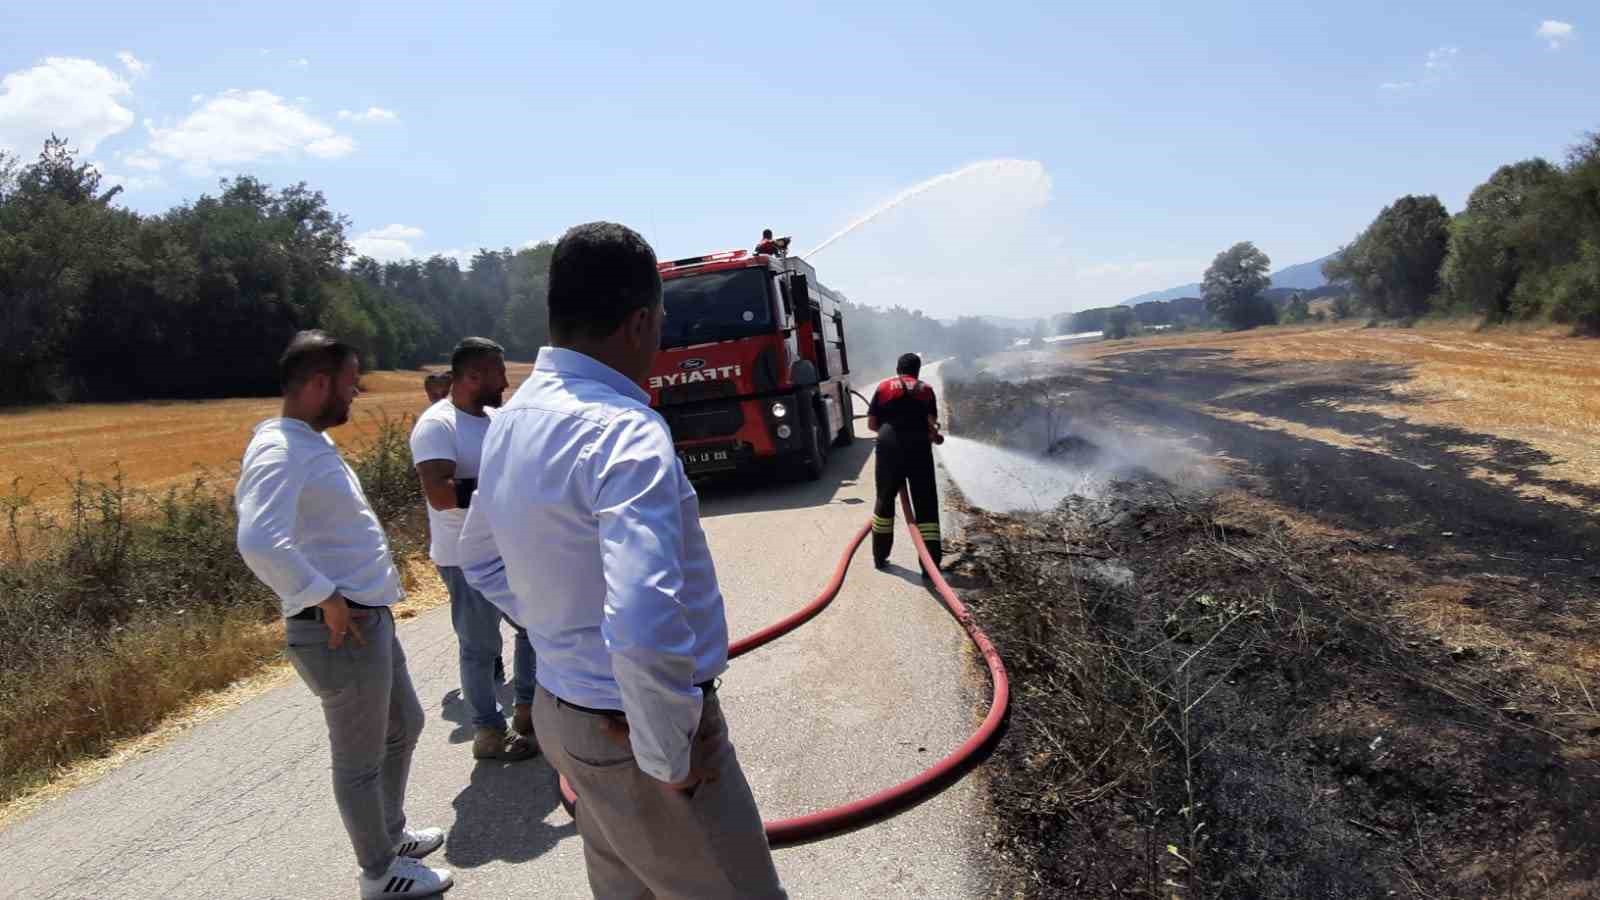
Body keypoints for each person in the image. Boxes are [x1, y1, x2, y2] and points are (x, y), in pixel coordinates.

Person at [459, 222, 785, 899]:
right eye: (662, 322)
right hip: (634, 733)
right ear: (640, 321)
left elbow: (479, 559)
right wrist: (668, 755)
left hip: (566, 716)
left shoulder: (512, 421)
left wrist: (559, 627)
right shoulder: (625, 433)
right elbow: (642, 623)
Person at [235, 330, 450, 900]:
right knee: (359, 761)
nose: (357, 392)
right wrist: (322, 596)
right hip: (339, 628)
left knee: (403, 725)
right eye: (351, 382)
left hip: (364, 620)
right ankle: (379, 872)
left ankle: (391, 835)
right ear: (318, 383)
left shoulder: (307, 442)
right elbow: (258, 539)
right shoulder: (280, 449)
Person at [409, 336, 538, 761]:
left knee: (535, 627)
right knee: (481, 647)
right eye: (499, 373)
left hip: (509, 549)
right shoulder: (438, 425)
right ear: (474, 375)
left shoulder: (496, 418)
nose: (506, 382)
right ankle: (488, 731)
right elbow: (440, 494)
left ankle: (528, 712)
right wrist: (501, 487)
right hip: (464, 557)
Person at [866, 352, 944, 575]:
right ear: (917, 371)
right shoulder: (926, 390)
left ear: (898, 369)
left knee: (884, 500)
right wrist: (932, 434)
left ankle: (880, 556)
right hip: (918, 447)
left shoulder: (883, 388)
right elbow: (932, 423)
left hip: (888, 446)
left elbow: (872, 424)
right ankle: (930, 565)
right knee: (926, 503)